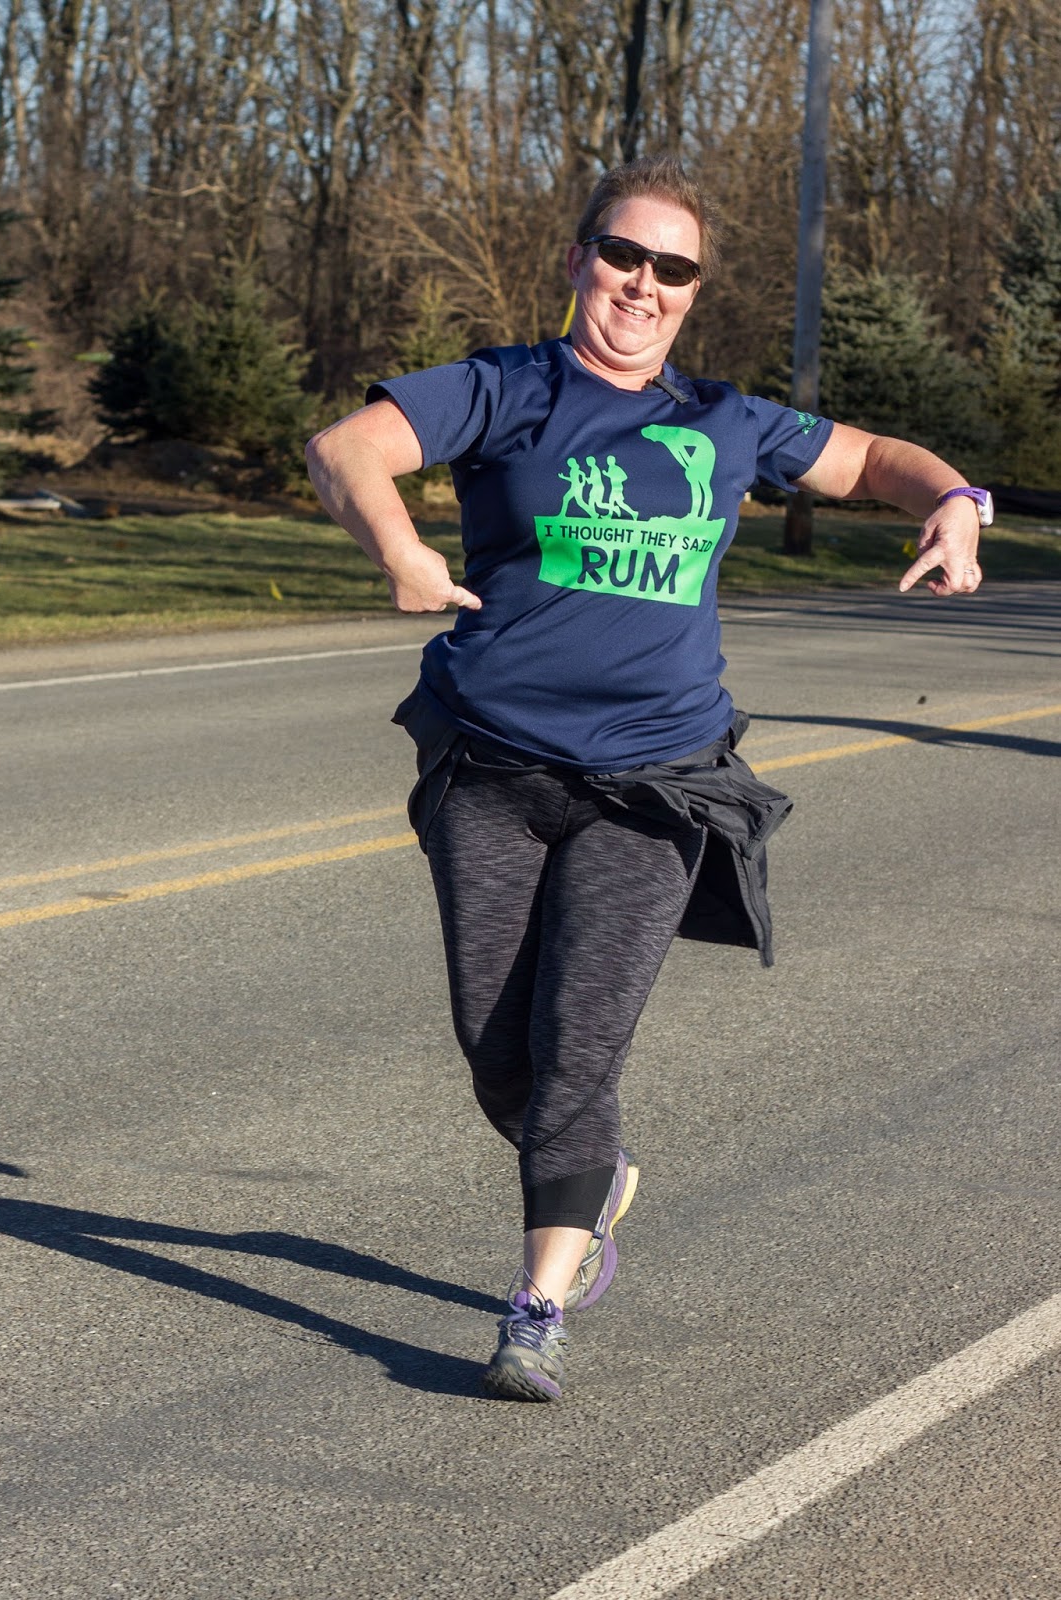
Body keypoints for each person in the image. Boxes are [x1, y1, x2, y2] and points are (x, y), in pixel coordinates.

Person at [305, 155, 986, 1403]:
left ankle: (535, 1306)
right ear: (579, 260)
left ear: (694, 288)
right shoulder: (507, 387)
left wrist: (953, 500)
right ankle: (595, 1173)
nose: (643, 283)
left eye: (673, 267)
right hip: (491, 765)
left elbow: (875, 457)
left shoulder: (727, 419)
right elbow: (345, 448)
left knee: (576, 1047)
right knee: (495, 1049)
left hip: (658, 780)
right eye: (623, 254)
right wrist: (397, 546)